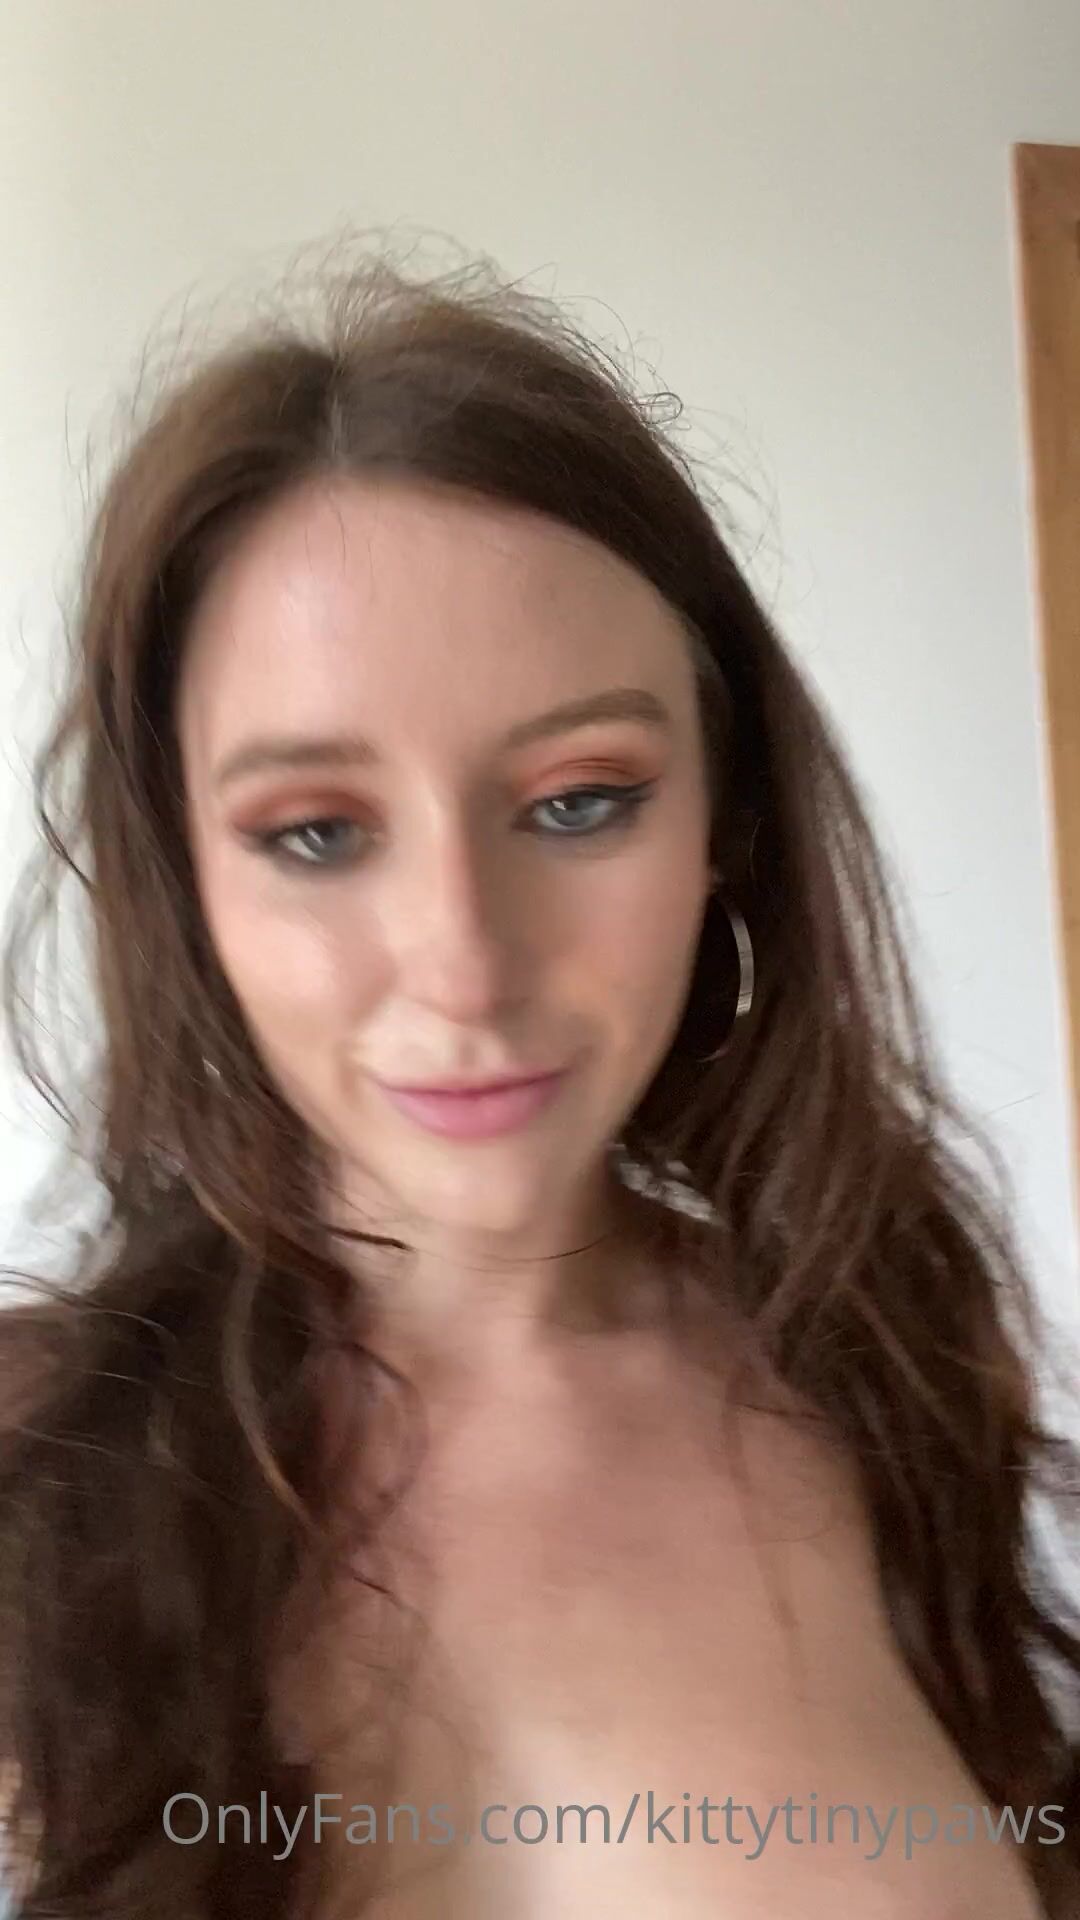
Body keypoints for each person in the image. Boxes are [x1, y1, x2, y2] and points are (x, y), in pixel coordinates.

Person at [0, 241, 1077, 1920]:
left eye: (580, 802)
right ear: (184, 880)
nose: (464, 966)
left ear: (727, 818)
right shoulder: (40, 1474)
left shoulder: (882, 1353)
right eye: (316, 833)